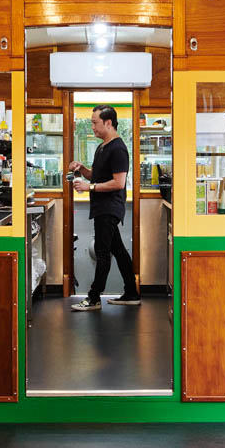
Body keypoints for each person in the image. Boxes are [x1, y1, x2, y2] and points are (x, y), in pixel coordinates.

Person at [69, 104, 139, 311]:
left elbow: (118, 182)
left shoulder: (118, 148)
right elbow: (97, 176)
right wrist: (82, 170)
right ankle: (131, 293)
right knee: (119, 251)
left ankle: (93, 298)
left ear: (108, 123)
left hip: (109, 208)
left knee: (102, 252)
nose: (92, 127)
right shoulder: (102, 147)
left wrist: (89, 186)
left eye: (94, 123)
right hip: (102, 207)